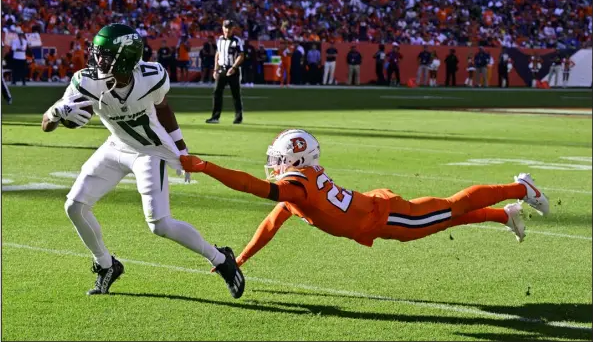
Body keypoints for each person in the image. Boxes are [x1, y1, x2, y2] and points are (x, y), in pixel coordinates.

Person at [40, 23, 244, 298]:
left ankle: (220, 259)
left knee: (159, 225)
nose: (98, 60)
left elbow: (163, 108)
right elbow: (47, 126)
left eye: (106, 55)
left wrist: (181, 149)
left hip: (150, 151)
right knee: (74, 207)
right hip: (116, 146)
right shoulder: (86, 80)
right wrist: (54, 113)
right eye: (97, 53)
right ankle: (106, 265)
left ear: (125, 58)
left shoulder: (152, 76)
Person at [179, 129, 550, 270]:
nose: (274, 164)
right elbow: (272, 222)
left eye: (280, 158)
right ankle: (506, 215)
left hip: (386, 218)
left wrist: (207, 166)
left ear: (296, 159)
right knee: (445, 216)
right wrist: (241, 259)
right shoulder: (300, 185)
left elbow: (249, 187)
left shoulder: (296, 186)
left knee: (452, 208)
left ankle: (521, 189)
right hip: (374, 212)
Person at [206, 19, 245, 124]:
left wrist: (234, 67)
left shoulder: (237, 40)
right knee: (217, 93)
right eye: (226, 27)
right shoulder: (220, 40)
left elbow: (241, 55)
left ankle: (238, 117)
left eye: (229, 27)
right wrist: (215, 69)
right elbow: (217, 54)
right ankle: (215, 117)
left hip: (232, 69)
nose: (227, 30)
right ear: (223, 28)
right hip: (222, 69)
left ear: (233, 29)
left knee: (235, 94)